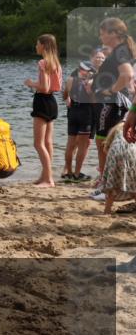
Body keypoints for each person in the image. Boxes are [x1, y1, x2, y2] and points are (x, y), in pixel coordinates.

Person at [90, 18, 136, 202]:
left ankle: (107, 187)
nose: (100, 36)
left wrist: (111, 90)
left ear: (114, 34)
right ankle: (106, 185)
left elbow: (127, 74)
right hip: (112, 103)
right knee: (107, 143)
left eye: (103, 33)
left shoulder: (120, 51)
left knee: (104, 143)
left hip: (113, 103)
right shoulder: (120, 50)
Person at [24, 34, 62, 187]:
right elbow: (55, 87)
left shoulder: (43, 62)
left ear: (44, 46)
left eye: (37, 44)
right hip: (52, 102)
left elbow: (44, 87)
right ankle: (45, 176)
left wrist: (31, 83)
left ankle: (48, 179)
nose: (36, 46)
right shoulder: (56, 63)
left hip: (42, 101)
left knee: (38, 144)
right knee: (48, 142)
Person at [62, 49, 103, 181]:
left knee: (70, 144)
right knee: (83, 146)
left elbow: (64, 94)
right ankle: (77, 174)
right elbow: (93, 101)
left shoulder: (71, 79)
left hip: (73, 112)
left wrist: (69, 100)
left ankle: (68, 172)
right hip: (86, 114)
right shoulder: (90, 81)